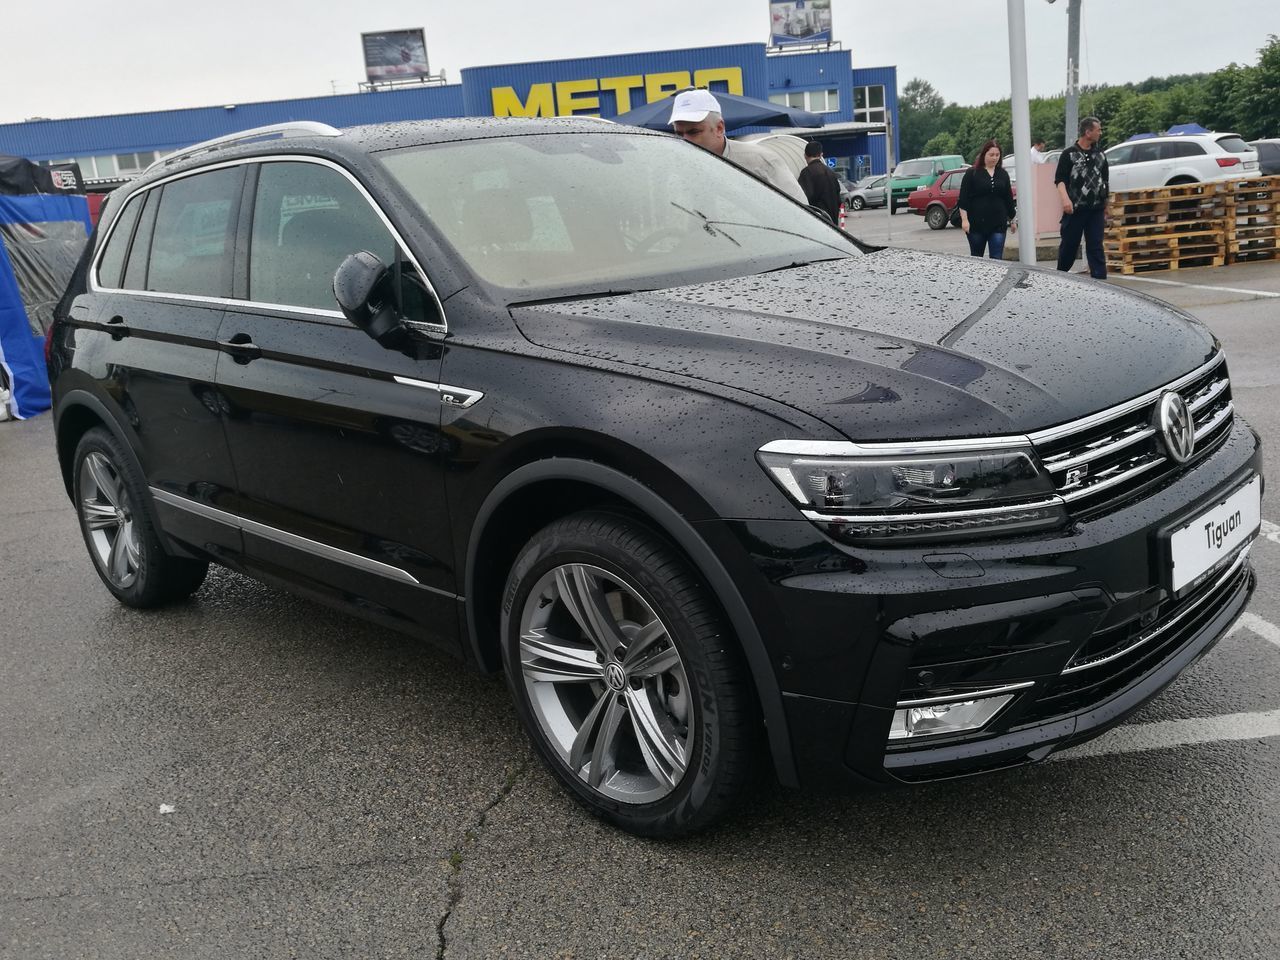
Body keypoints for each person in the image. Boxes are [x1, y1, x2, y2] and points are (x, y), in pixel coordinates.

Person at [668, 89, 808, 204]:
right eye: (679, 134)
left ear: (719, 128)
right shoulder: (672, 171)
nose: (685, 140)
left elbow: (804, 217)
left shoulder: (761, 163)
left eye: (694, 132)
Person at [1055, 116, 1110, 279]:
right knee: (1069, 246)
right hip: (1075, 209)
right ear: (1088, 132)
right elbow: (1060, 180)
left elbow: (1105, 180)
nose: (1100, 133)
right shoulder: (1069, 154)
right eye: (1098, 130)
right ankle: (1060, 277)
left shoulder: (1100, 154)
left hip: (1096, 209)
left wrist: (1106, 204)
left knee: (1095, 246)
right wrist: (1065, 199)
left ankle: (1100, 280)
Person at [958, 139, 1017, 260]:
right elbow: (963, 199)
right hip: (976, 225)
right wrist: (964, 220)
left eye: (997, 155)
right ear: (984, 154)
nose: (994, 158)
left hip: (998, 224)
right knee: (977, 258)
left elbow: (1008, 198)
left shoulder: (1003, 174)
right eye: (991, 155)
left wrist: (1013, 219)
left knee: (996, 258)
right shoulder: (972, 173)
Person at [796, 140, 842, 225]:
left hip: (817, 222)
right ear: (821, 155)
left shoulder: (807, 173)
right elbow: (838, 199)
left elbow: (802, 198)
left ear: (805, 155)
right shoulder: (831, 173)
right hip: (833, 222)